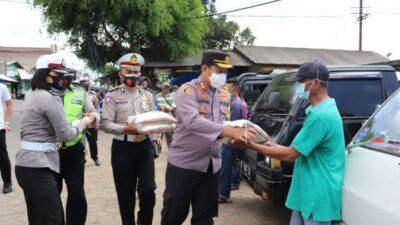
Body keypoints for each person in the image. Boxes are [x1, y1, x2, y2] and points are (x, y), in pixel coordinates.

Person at [236, 61, 345, 225]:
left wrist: (251, 145)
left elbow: (290, 155)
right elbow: (294, 149)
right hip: (307, 191)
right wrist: (265, 142)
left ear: (314, 83)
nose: (298, 88)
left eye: (301, 82)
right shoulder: (320, 110)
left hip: (317, 195)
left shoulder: (321, 116)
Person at [160, 50, 256, 225]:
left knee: (205, 219)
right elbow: (192, 121)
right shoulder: (188, 90)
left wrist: (233, 139)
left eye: (226, 72)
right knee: (173, 216)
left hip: (212, 166)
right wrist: (229, 131)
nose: (223, 75)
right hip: (184, 165)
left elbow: (221, 125)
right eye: (219, 71)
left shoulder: (223, 94)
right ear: (205, 68)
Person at [15, 54, 95, 225]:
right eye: (60, 76)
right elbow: (64, 134)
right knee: (51, 218)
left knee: (40, 216)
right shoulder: (49, 98)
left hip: (32, 163)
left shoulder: (34, 95)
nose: (64, 80)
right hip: (40, 164)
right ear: (46, 75)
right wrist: (83, 123)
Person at [101, 53, 162, 225]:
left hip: (144, 148)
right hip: (122, 150)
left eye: (136, 71)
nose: (132, 75)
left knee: (148, 191)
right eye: (128, 70)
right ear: (120, 73)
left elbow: (153, 119)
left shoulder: (148, 95)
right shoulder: (111, 96)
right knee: (125, 195)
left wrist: (156, 136)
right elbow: (105, 123)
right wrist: (124, 129)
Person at [55, 51, 100, 225]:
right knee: (53, 194)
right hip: (50, 152)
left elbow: (94, 112)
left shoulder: (80, 92)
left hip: (74, 151)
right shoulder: (48, 92)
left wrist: (93, 118)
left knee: (77, 194)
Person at [218, 80, 243, 203]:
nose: (227, 91)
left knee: (226, 168)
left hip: (229, 140)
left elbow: (231, 125)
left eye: (229, 89)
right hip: (227, 139)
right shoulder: (232, 103)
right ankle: (222, 192)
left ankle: (223, 194)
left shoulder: (235, 105)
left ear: (236, 91)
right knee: (226, 167)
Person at [80, 77, 101, 166]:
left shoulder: (93, 95)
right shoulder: (77, 94)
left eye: (87, 84)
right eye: (83, 84)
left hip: (91, 123)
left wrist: (96, 122)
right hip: (80, 122)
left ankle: (95, 157)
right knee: (81, 143)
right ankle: (82, 159)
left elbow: (97, 109)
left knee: (93, 142)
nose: (85, 86)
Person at [0, 82, 13, 194]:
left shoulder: (2, 87)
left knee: (2, 156)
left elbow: (9, 105)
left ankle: (7, 182)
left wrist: (7, 122)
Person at [156, 82, 176, 147]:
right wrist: (160, 107)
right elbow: (155, 106)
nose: (166, 89)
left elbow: (173, 106)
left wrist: (169, 109)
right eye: (165, 87)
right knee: (158, 136)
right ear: (162, 88)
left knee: (170, 136)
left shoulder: (172, 96)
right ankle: (158, 149)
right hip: (159, 118)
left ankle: (171, 151)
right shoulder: (157, 96)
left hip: (168, 118)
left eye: (167, 87)